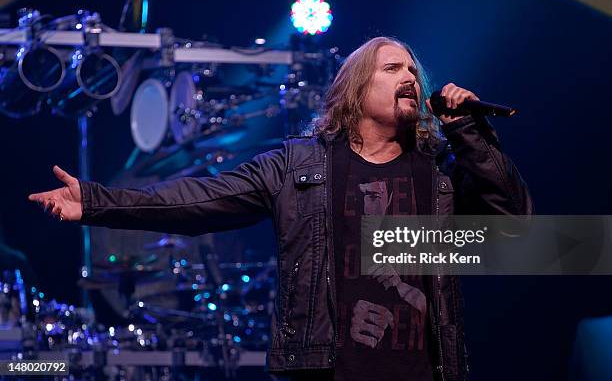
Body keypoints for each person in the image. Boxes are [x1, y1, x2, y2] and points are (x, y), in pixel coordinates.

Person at [29, 36, 532, 381]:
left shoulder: (440, 169)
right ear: (356, 89)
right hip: (325, 371)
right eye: (392, 67)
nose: (410, 77)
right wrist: (95, 201)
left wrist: (467, 130)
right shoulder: (298, 166)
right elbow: (195, 199)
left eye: (414, 71)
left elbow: (513, 226)